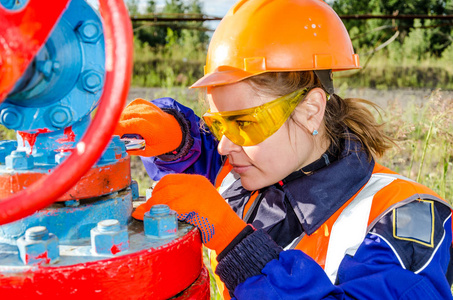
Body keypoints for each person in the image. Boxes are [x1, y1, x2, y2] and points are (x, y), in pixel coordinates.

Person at [114, 0, 453, 298]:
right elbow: (203, 160)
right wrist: (179, 138)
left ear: (310, 110)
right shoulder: (248, 176)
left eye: (244, 123)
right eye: (218, 124)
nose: (224, 144)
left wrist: (241, 250)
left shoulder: (407, 219)